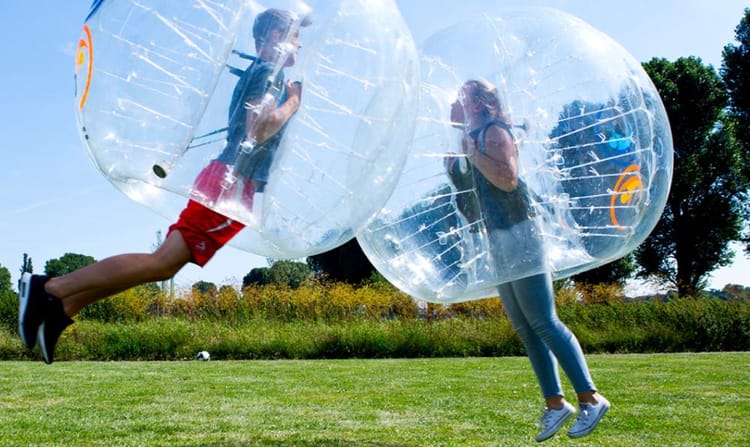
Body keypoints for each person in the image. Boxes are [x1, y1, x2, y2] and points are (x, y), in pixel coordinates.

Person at [18, 8, 309, 365]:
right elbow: (258, 128)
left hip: (229, 183)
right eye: (294, 35)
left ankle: (63, 308)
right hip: (230, 186)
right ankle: (48, 289)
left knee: (165, 264)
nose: (299, 43)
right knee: (163, 263)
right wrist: (293, 102)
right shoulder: (269, 73)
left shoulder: (263, 73)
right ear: (273, 38)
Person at [447, 79, 610, 442]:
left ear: (478, 102)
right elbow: (469, 194)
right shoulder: (471, 136)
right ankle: (555, 404)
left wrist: (470, 150)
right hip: (498, 238)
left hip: (522, 233)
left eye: (462, 97)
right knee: (525, 326)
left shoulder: (495, 131)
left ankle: (591, 398)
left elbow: (507, 180)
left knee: (544, 320)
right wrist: (458, 152)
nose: (455, 103)